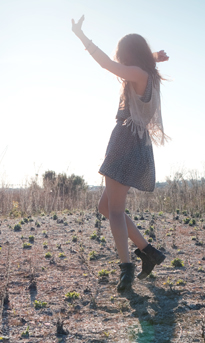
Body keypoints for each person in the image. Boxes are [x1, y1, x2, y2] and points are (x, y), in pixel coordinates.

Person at [71, 15, 169, 291]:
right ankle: (148, 252)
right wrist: (154, 57)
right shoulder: (148, 75)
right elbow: (134, 66)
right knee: (105, 207)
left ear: (128, 55)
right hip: (137, 143)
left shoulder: (138, 74)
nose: (118, 60)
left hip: (126, 141)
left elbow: (107, 64)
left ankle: (126, 268)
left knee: (114, 210)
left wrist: (81, 36)